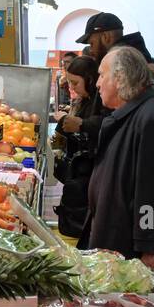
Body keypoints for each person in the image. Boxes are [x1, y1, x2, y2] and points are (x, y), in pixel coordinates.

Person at [78, 46, 154, 274]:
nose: (97, 83)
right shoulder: (135, 114)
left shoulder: (153, 118)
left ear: (120, 78)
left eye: (102, 75)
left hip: (137, 258)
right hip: (120, 250)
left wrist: (149, 245)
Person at [52, 56, 101, 240]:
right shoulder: (85, 101)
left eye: (75, 82)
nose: (71, 87)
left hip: (89, 177)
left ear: (90, 79)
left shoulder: (100, 102)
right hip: (79, 176)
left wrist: (81, 125)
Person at [75, 12, 153, 66]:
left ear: (106, 37)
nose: (91, 50)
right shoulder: (136, 57)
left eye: (92, 44)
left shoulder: (123, 65)